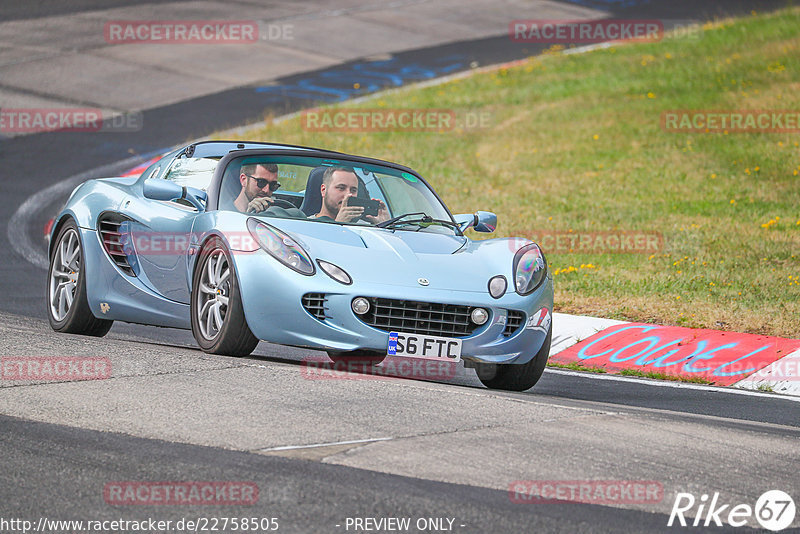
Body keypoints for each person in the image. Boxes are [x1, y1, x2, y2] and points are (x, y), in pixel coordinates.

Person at [313, 167, 388, 224]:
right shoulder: (306, 225)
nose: (349, 194)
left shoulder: (364, 227)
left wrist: (384, 226)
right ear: (323, 190)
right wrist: (338, 224)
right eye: (341, 188)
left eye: (353, 190)